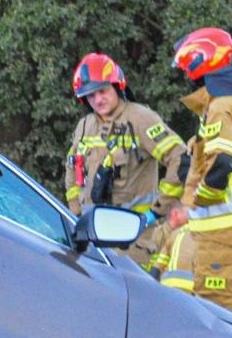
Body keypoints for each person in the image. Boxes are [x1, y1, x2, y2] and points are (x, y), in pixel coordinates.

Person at [158, 27, 232, 313]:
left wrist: (199, 201)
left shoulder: (220, 107)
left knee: (217, 312)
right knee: (228, 305)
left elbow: (220, 165)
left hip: (219, 232)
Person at [61, 52, 185, 268]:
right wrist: (75, 213)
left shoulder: (140, 118)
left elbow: (180, 159)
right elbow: (72, 168)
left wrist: (157, 211)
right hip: (92, 239)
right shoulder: (84, 125)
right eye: (91, 96)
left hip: (133, 241)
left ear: (117, 86)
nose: (98, 100)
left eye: (103, 91)